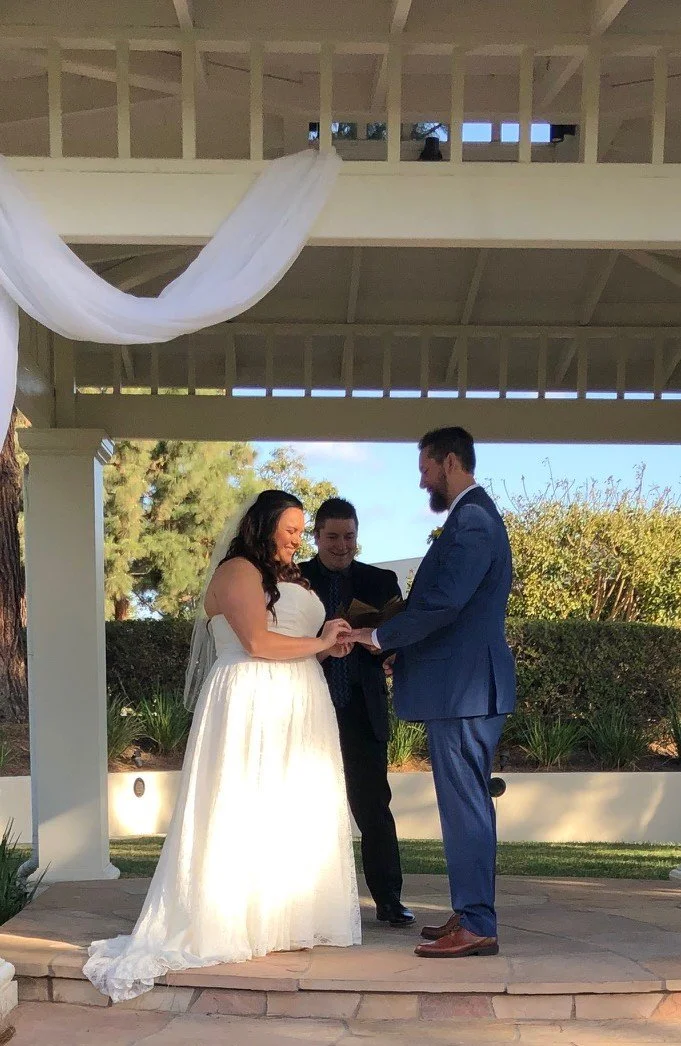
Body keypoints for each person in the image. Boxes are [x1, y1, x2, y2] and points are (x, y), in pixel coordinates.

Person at [84, 490, 361, 1003]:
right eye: (292, 529)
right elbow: (256, 643)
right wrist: (319, 643)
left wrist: (326, 641)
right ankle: (229, 918)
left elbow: (291, 641)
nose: (299, 539)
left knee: (288, 807)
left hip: (300, 698)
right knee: (243, 804)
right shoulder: (237, 570)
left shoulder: (290, 576)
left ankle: (280, 919)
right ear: (264, 525)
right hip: (250, 697)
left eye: (302, 530)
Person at [351, 428, 515, 958]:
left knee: (465, 807)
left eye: (425, 469)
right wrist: (406, 651)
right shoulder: (470, 519)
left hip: (464, 694)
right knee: (465, 806)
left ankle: (477, 922)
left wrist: (377, 636)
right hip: (459, 689)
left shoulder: (472, 521)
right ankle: (471, 913)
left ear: (449, 461)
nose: (422, 480)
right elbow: (455, 615)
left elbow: (443, 603)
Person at [301, 498, 414, 928]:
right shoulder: (296, 579)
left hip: (362, 712)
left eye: (349, 536)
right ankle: (306, 905)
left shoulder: (381, 580)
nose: (341, 545)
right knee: (305, 806)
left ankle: (389, 900)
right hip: (308, 708)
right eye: (332, 536)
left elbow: (400, 641)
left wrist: (385, 647)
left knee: (373, 809)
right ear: (317, 536)